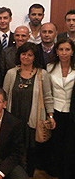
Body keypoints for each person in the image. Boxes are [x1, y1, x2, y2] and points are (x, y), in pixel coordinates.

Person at [3, 42, 55, 177]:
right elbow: (5, 96)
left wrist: (50, 116)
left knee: (31, 151)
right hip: (13, 117)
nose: (26, 57)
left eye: (30, 55)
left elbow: (48, 97)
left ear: (35, 57)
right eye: (23, 54)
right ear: (19, 56)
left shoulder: (42, 74)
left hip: (33, 119)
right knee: (14, 149)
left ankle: (28, 175)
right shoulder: (11, 73)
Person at [47, 38, 75, 179]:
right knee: (57, 144)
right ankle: (56, 172)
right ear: (56, 51)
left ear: (72, 52)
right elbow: (47, 92)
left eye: (67, 50)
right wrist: (50, 115)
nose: (64, 53)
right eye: (61, 49)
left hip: (72, 112)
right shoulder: (50, 67)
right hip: (56, 110)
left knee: (71, 145)